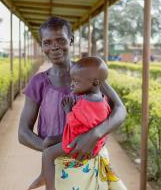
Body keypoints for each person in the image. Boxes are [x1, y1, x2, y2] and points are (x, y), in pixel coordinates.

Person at [18, 16, 127, 189]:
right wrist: (61, 150)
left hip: (91, 158)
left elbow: (120, 110)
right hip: (58, 164)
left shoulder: (89, 72)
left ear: (71, 40)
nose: (54, 47)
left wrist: (94, 135)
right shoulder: (38, 82)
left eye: (60, 40)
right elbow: (23, 133)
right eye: (47, 42)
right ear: (42, 46)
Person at [28, 57, 126, 190]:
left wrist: (68, 110)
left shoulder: (87, 103)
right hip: (76, 136)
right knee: (48, 141)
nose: (72, 85)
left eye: (76, 82)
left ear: (95, 82)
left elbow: (75, 123)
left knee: (48, 154)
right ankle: (44, 174)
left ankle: (49, 185)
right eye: (72, 80)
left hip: (78, 142)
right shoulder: (100, 98)